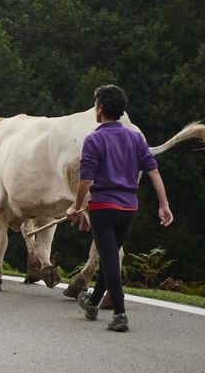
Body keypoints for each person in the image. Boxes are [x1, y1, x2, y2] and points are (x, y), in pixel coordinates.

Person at [66, 85, 174, 332]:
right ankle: (92, 303)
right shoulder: (136, 138)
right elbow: (153, 171)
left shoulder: (94, 139)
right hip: (128, 209)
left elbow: (85, 180)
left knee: (110, 258)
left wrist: (75, 206)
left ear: (100, 108)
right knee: (109, 256)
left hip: (103, 208)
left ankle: (120, 313)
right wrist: (164, 205)